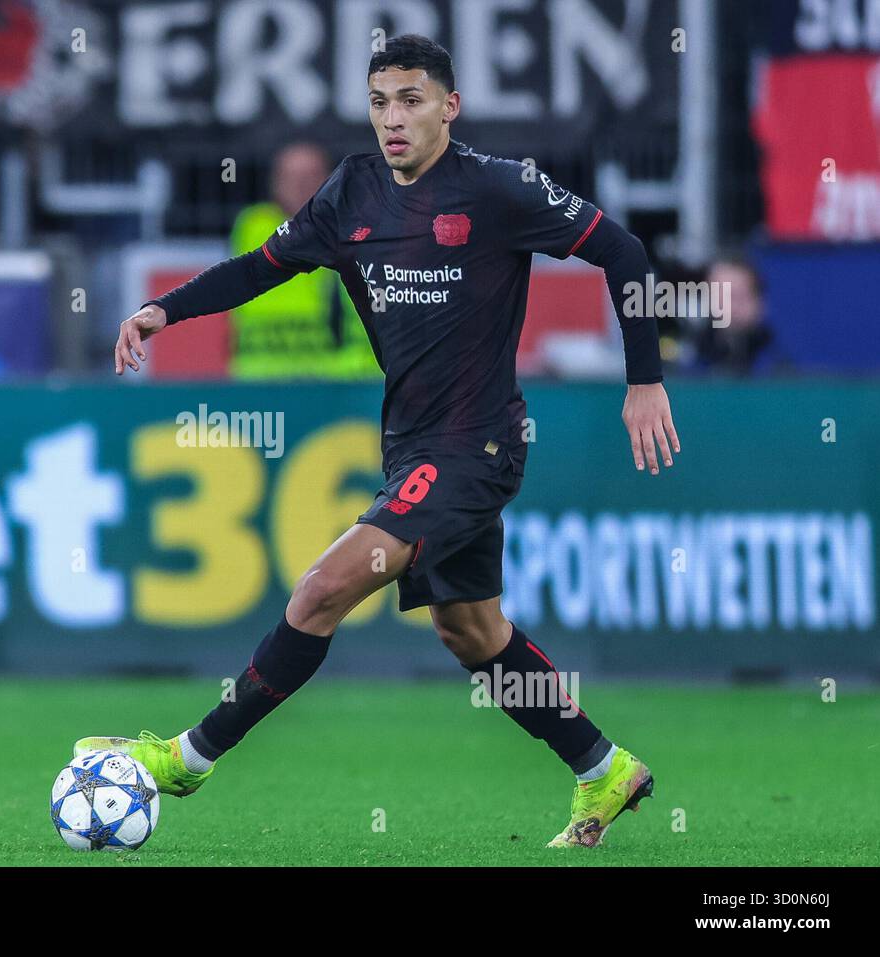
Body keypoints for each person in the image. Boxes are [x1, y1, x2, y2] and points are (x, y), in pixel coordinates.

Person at [93, 35, 680, 849]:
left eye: (410, 100)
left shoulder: (499, 189)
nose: (393, 119)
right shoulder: (353, 193)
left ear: (450, 106)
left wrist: (643, 379)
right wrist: (166, 309)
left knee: (320, 590)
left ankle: (188, 758)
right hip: (413, 449)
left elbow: (624, 251)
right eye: (379, 103)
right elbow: (264, 264)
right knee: (471, 631)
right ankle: (602, 766)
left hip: (475, 449)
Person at [228, 143, 381, 379]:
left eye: (310, 176)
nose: (300, 185)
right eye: (290, 177)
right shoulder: (252, 227)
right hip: (258, 384)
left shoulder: (358, 232)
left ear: (331, 181)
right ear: (275, 184)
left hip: (333, 385)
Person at [688, 253, 783, 375]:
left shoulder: (779, 369)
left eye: (736, 297)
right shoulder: (688, 362)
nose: (725, 307)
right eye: (717, 296)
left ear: (758, 302)